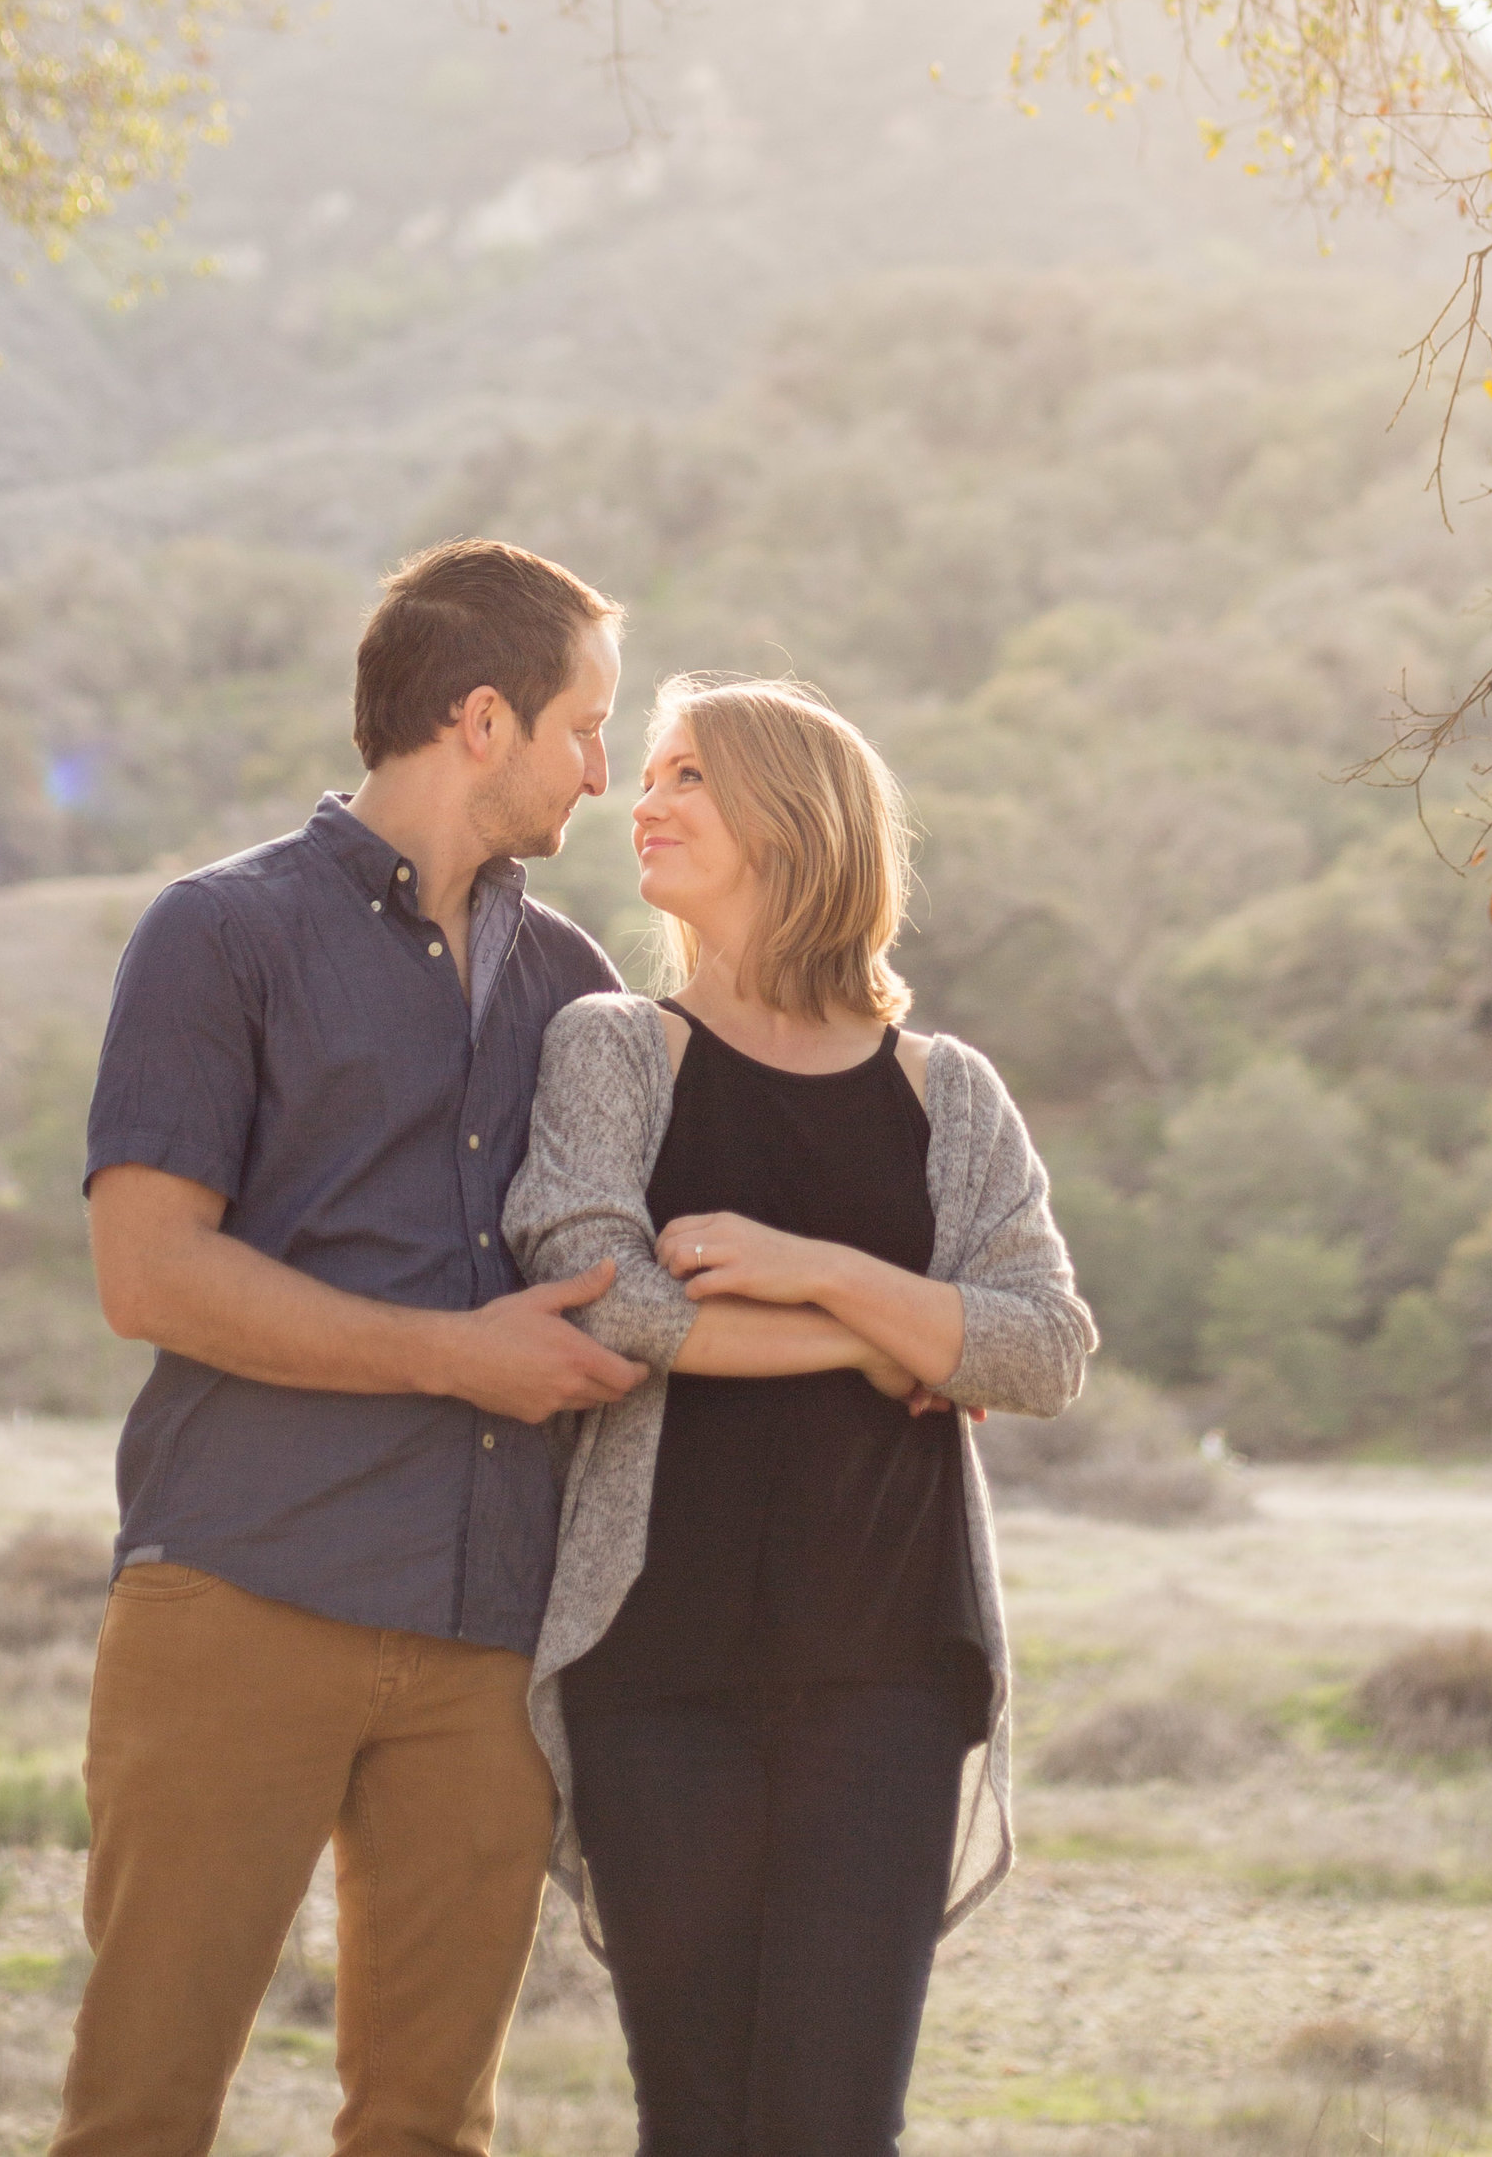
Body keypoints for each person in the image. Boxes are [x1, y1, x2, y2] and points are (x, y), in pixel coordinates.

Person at [49, 537, 648, 2157]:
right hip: (242, 1590)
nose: (607, 767)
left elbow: (644, 1271)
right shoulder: (217, 934)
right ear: (481, 717)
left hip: (486, 1639)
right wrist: (459, 1358)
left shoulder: (579, 986)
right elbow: (150, 1274)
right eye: (585, 724)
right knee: (141, 2112)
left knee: (430, 2130)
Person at [503, 672, 1096, 2157]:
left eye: (687, 773)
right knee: (696, 2122)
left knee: (833, 2125)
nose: (642, 800)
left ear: (797, 814)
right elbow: (608, 1295)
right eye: (644, 772)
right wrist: (873, 1334)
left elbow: (1046, 1348)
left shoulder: (945, 1092)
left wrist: (814, 1267)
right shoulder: (615, 1046)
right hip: (658, 1665)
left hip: (889, 1670)